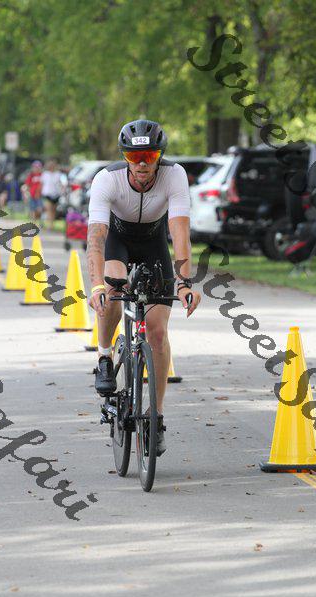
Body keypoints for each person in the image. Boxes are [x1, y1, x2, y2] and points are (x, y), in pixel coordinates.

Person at [87, 119, 201, 456]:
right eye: (133, 156)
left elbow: (179, 231)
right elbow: (96, 238)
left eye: (148, 156)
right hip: (117, 242)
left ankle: (156, 416)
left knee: (157, 332)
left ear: (158, 156)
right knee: (112, 287)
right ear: (125, 157)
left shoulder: (174, 175)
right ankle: (104, 355)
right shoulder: (106, 179)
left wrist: (184, 283)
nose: (141, 164)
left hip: (154, 244)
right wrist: (96, 286)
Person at [41, 159, 62, 229]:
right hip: (47, 194)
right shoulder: (45, 174)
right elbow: (41, 184)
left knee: (53, 210)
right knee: (48, 209)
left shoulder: (58, 174)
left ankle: (52, 223)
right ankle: (50, 225)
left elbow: (61, 184)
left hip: (56, 194)